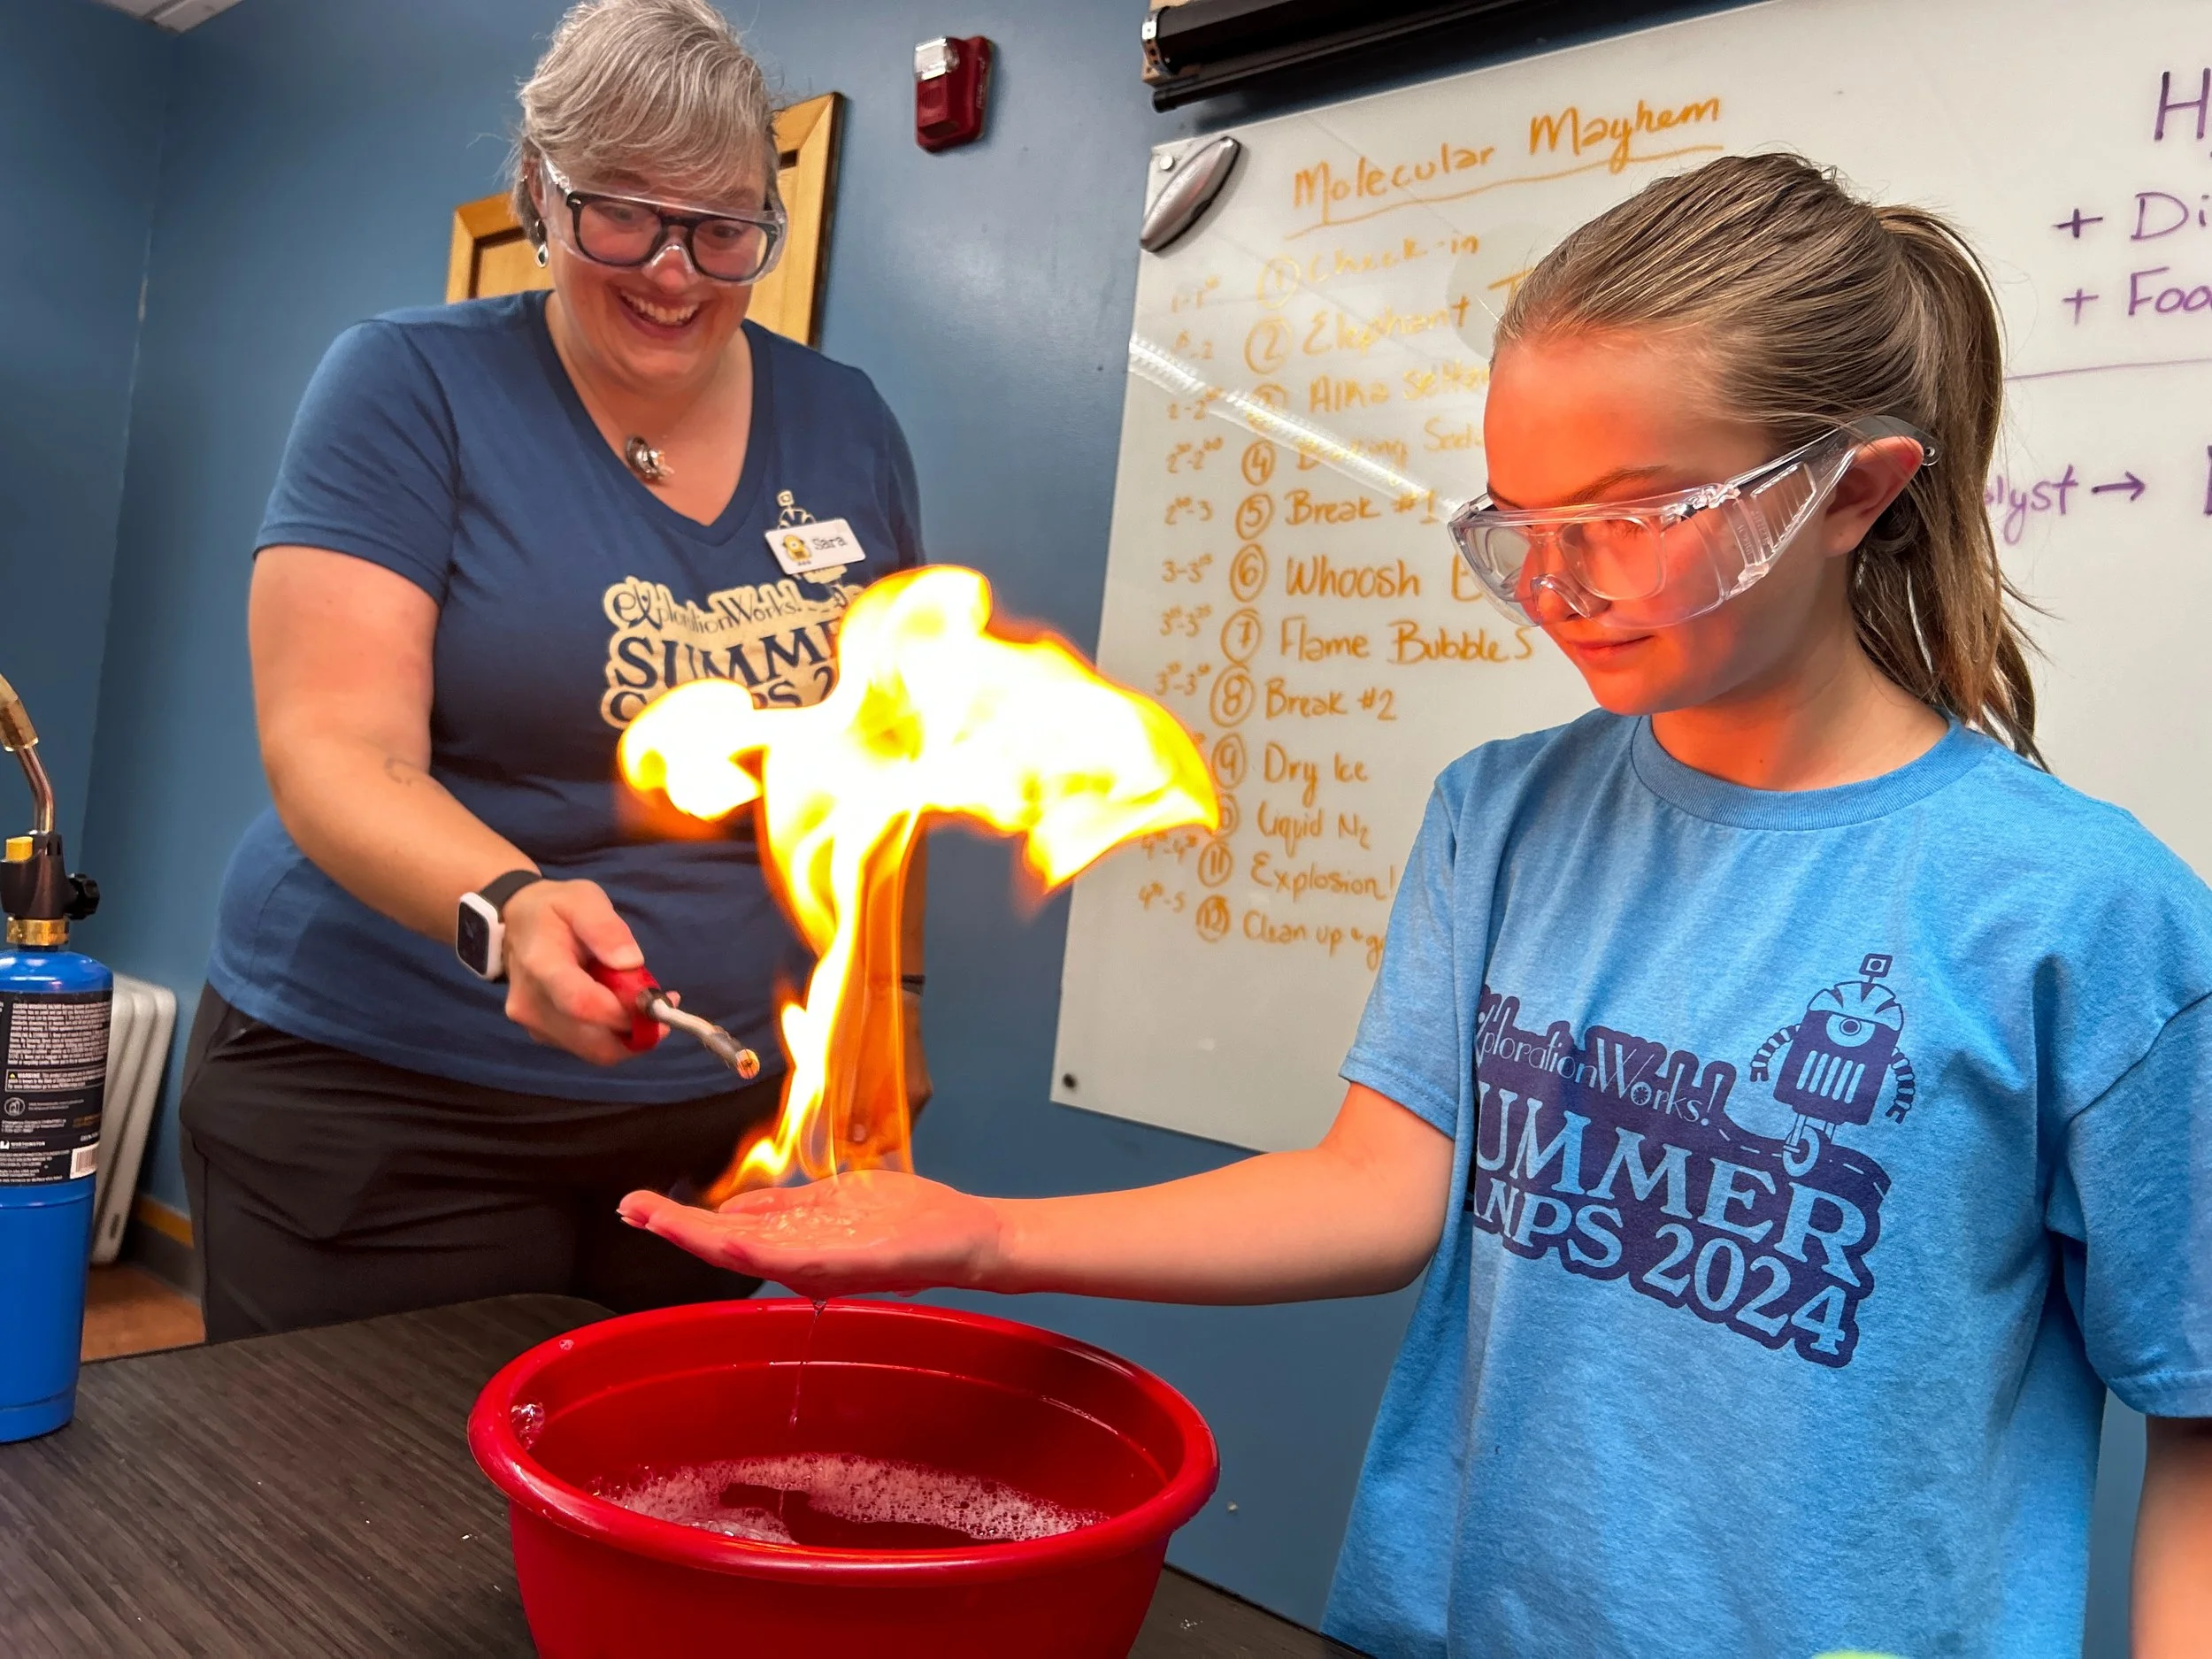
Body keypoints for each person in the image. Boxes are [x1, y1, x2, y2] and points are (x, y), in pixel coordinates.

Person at [620, 154, 2212, 1657]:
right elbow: (1382, 1192)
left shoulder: (2083, 914)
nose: (1555, 581)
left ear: (1853, 492)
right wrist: (973, 1233)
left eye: (1631, 513)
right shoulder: (1500, 816)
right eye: (1518, 521)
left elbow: (2198, 1404)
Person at [180, 0, 929, 1340]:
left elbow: (887, 762)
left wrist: (890, 1006)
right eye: (621, 215)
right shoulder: (409, 385)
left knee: (649, 1506)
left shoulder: (848, 423)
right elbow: (334, 749)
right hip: (388, 1099)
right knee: (382, 1527)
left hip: (706, 1124)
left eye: (724, 229)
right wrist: (510, 905)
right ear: (538, 192)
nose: (675, 273)